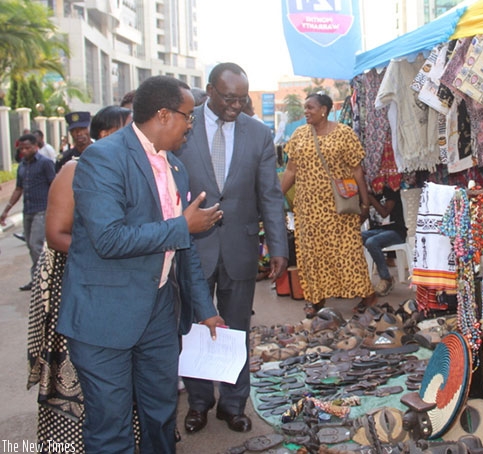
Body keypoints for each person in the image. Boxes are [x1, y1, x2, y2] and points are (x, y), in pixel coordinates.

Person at [55, 76, 225, 453]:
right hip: (105, 317)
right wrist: (183, 225)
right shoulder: (104, 158)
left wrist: (206, 310)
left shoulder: (175, 168)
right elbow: (109, 239)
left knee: (161, 414)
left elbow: (185, 248)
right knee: (111, 426)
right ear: (163, 115)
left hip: (159, 314)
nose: (191, 125)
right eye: (187, 117)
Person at [176, 62, 289, 435]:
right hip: (192, 248)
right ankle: (198, 403)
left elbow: (270, 195)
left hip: (239, 248)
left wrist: (278, 246)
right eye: (229, 98)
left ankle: (233, 404)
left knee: (236, 329)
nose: (236, 106)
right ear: (209, 90)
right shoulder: (182, 125)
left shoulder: (258, 134)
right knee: (193, 327)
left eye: (242, 99)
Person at [26, 105, 132, 450]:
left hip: (113, 284)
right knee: (81, 371)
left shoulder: (129, 170)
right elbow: (55, 234)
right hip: (77, 284)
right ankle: (72, 441)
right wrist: (109, 251)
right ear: (105, 135)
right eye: (125, 129)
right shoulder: (73, 170)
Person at [280, 92, 376, 317]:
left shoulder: (344, 134)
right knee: (312, 254)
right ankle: (316, 299)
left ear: (324, 110)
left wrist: (364, 203)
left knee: (347, 253)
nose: (306, 112)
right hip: (308, 209)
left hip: (339, 208)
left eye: (310, 107)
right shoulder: (299, 135)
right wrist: (276, 196)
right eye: (305, 108)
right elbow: (291, 170)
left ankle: (367, 296)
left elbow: (356, 171)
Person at [1, 133, 55, 291]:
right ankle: (37, 279)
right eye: (21, 148)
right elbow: (18, 189)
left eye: (27, 147)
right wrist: (6, 210)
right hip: (28, 211)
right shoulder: (22, 166)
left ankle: (45, 280)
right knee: (31, 246)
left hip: (42, 210)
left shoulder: (45, 164)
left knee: (35, 244)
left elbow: (54, 184)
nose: (24, 151)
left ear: (36, 147)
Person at [362, 185, 407, 296]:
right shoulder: (369, 192)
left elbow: (384, 213)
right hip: (376, 230)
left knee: (371, 242)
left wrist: (370, 199)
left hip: (395, 231)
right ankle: (358, 279)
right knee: (354, 238)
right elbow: (363, 215)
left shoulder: (391, 190)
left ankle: (386, 279)